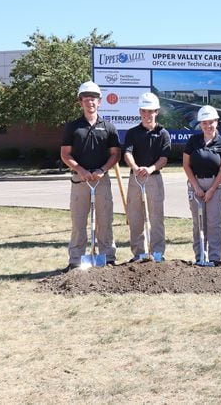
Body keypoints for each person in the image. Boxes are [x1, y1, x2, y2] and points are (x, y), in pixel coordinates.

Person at [59, 81, 121, 270]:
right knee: (78, 222)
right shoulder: (73, 127)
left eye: (93, 99)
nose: (90, 102)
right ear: (81, 102)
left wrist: (102, 170)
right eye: (86, 99)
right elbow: (65, 154)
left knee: (105, 220)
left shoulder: (108, 127)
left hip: (101, 180)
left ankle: (107, 258)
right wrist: (81, 171)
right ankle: (75, 260)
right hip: (80, 180)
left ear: (99, 101)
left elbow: (115, 154)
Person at [123, 92, 171, 262]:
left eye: (150, 111)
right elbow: (127, 153)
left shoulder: (163, 133)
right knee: (135, 217)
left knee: (156, 217)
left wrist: (150, 169)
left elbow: (164, 158)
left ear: (156, 112)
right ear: (140, 112)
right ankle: (139, 253)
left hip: (154, 178)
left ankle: (157, 253)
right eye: (144, 111)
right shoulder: (132, 132)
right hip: (135, 178)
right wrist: (136, 168)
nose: (147, 114)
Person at [183, 105, 221, 264]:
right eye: (204, 123)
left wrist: (211, 189)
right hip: (195, 183)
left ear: (217, 122)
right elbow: (186, 165)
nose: (208, 126)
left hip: (215, 185)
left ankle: (215, 258)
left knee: (214, 223)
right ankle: (200, 258)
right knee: (198, 223)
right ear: (200, 124)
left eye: (211, 122)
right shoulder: (193, 141)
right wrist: (195, 186)